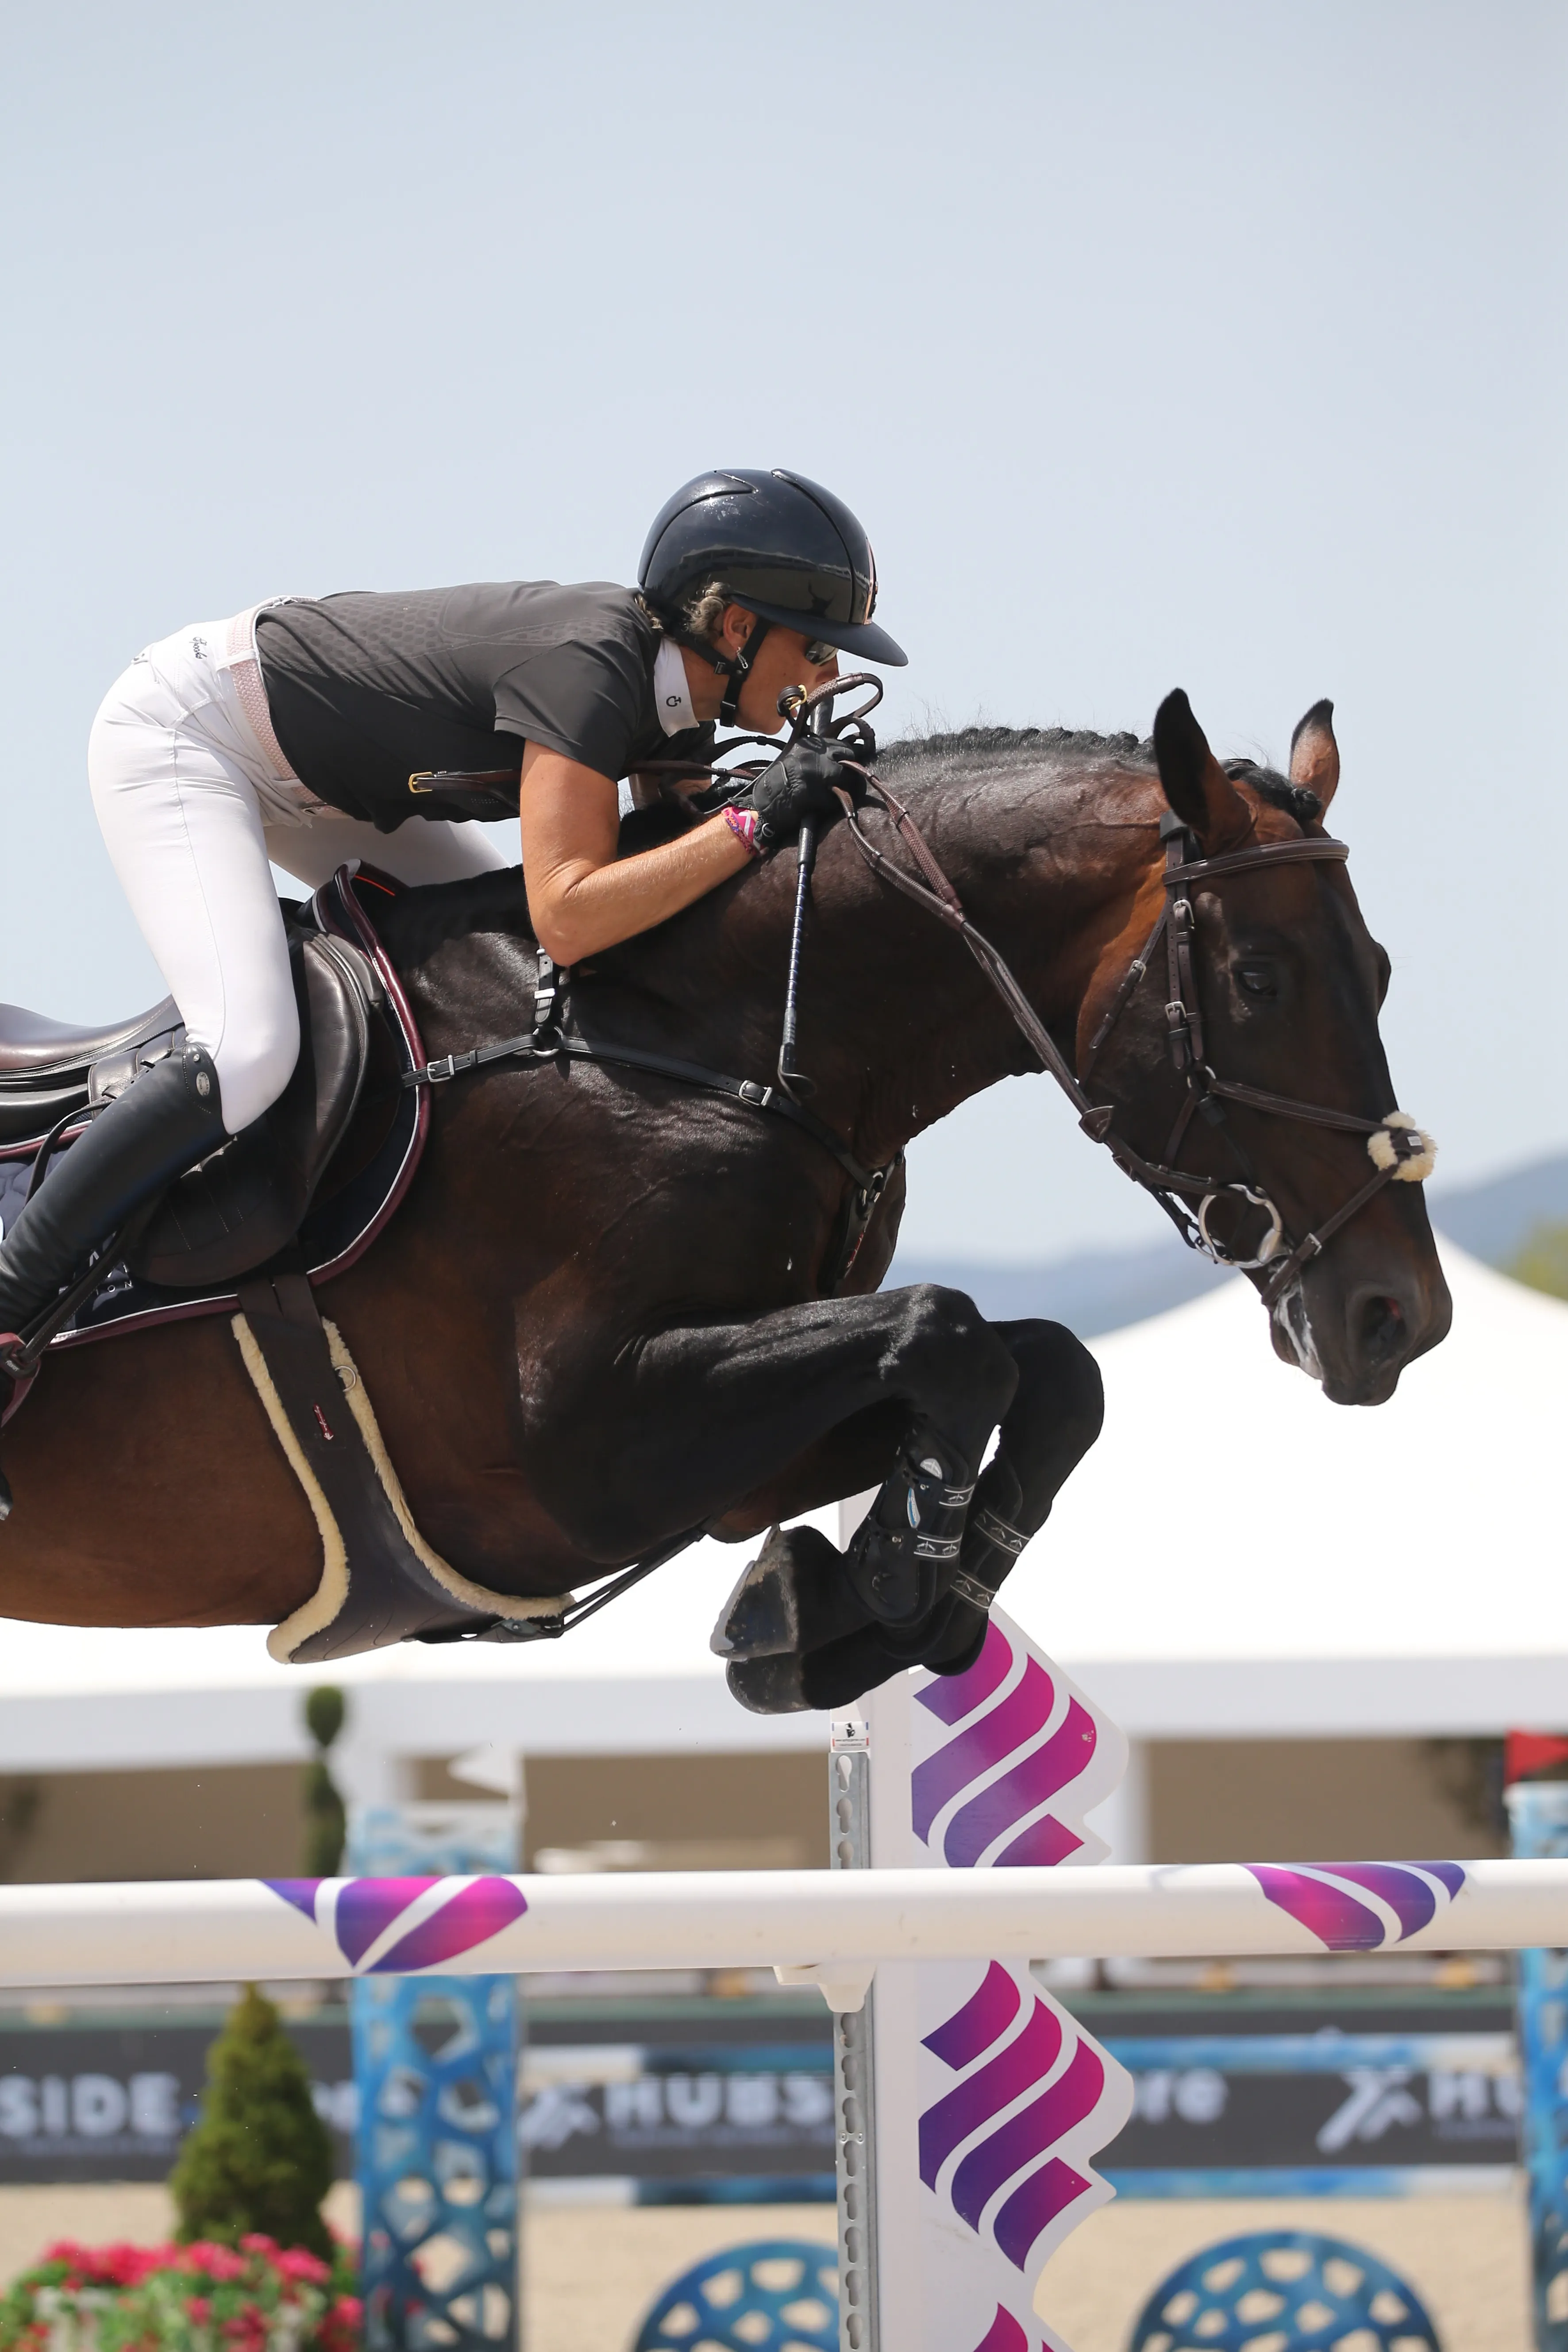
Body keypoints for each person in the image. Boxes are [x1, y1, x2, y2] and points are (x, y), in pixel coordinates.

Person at [0, 468, 906, 1370]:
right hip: (191, 733)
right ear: (737, 628)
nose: (830, 677)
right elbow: (571, 914)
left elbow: (670, 871)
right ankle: (11, 1291)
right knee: (250, 1047)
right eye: (818, 652)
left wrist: (778, 818)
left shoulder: (681, 699)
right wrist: (757, 821)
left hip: (329, 782)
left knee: (503, 973)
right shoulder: (594, 667)